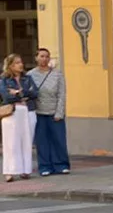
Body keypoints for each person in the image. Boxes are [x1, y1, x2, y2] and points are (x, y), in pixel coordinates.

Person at [27, 48, 70, 177]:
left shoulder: (57, 74)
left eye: (46, 57)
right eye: (41, 56)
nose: (44, 59)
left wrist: (59, 112)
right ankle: (45, 166)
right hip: (38, 113)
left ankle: (61, 165)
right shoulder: (30, 75)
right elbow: (29, 93)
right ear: (36, 58)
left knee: (59, 140)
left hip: (54, 112)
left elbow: (62, 94)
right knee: (42, 141)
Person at [1, 53, 38, 182]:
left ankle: (25, 170)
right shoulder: (4, 80)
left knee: (27, 141)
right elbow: (6, 96)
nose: (21, 64)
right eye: (17, 63)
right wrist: (21, 95)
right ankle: (10, 171)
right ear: (10, 66)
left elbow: (35, 93)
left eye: (21, 62)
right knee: (11, 142)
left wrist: (18, 93)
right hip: (12, 113)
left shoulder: (27, 78)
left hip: (28, 111)